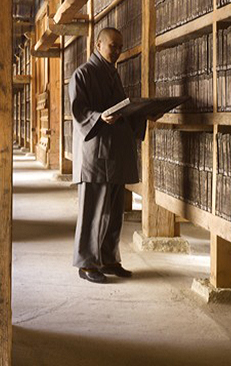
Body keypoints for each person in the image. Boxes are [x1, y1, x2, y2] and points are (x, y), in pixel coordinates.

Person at [69, 27, 145, 283]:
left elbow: (122, 111)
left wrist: (143, 114)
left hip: (114, 154)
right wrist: (99, 117)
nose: (118, 51)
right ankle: (87, 263)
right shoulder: (83, 74)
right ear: (98, 44)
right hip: (95, 154)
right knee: (93, 212)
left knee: (113, 212)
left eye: (120, 46)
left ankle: (109, 258)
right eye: (113, 46)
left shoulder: (113, 74)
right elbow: (79, 112)